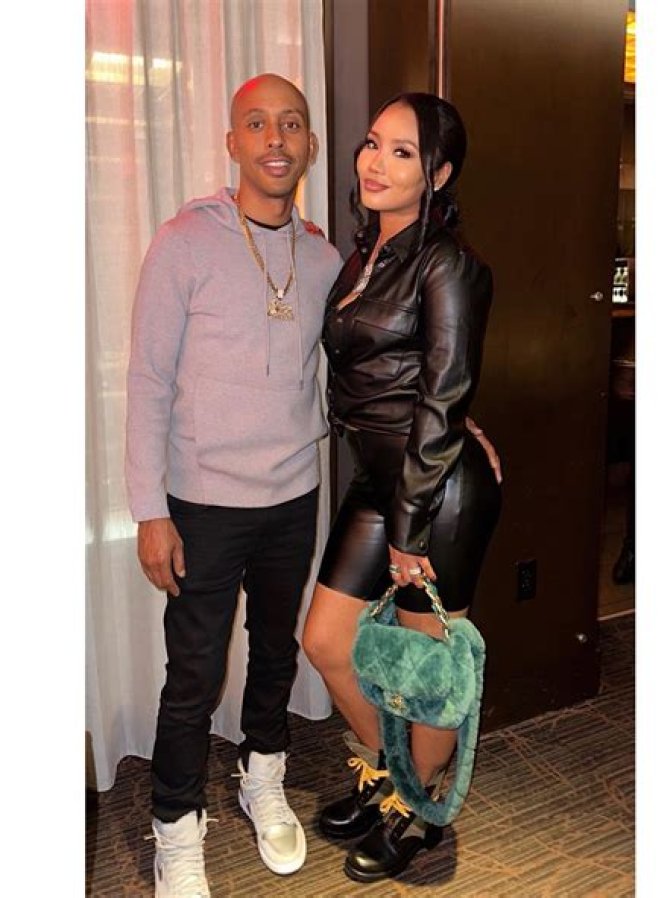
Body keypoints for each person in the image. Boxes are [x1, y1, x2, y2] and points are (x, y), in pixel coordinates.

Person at [126, 74, 343, 895]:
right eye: (257, 123)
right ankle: (175, 826)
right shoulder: (185, 241)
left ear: (309, 145)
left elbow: (365, 368)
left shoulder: (324, 258)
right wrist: (150, 509)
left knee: (276, 649)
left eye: (290, 124)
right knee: (193, 673)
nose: (275, 138)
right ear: (232, 143)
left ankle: (263, 773)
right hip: (203, 502)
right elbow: (147, 380)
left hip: (293, 495)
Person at [302, 92, 502, 883]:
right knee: (326, 642)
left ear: (438, 174)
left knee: (429, 673)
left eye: (403, 152)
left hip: (437, 493)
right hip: (377, 483)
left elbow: (444, 394)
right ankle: (391, 772)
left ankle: (419, 812)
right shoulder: (363, 256)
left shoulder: (448, 263)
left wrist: (412, 528)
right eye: (372, 144)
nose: (375, 162)